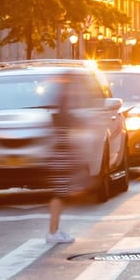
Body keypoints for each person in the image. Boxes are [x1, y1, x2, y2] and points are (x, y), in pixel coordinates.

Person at [44, 71, 99, 246]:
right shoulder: (63, 101)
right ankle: (53, 231)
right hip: (61, 152)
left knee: (60, 193)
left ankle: (54, 230)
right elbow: (66, 123)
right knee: (60, 194)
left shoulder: (59, 100)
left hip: (59, 151)